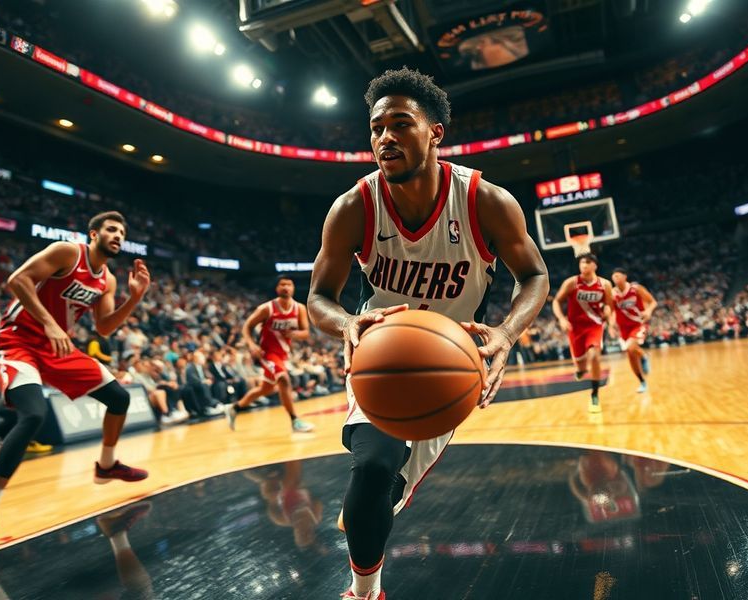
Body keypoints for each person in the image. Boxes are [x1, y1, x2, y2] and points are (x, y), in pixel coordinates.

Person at [307, 67, 549, 599]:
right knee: (373, 467)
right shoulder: (354, 207)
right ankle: (364, 592)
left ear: (435, 132)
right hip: (380, 353)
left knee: (379, 493)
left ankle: (372, 508)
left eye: (400, 124)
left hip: (449, 361)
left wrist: (507, 333)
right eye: (376, 128)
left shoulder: (485, 201)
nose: (385, 137)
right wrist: (347, 322)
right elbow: (318, 298)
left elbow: (534, 275)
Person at [0, 211, 151, 553]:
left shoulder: (108, 280)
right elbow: (18, 280)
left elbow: (104, 327)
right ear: (93, 234)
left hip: (57, 347)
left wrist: (134, 297)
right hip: (19, 340)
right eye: (111, 229)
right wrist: (50, 323)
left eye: (122, 232)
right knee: (33, 416)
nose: (117, 235)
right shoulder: (67, 252)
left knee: (119, 397)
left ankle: (107, 465)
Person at [226, 277, 314, 433]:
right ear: (277, 288)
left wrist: (294, 334)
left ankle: (235, 407)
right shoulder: (266, 308)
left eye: (289, 284)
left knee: (265, 389)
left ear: (293, 288)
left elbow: (306, 332)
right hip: (267, 353)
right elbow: (247, 326)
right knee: (283, 379)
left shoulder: (299, 308)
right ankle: (295, 420)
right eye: (282, 284)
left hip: (283, 354)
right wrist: (251, 344)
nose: (286, 287)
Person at [552, 253, 614, 413]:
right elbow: (557, 301)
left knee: (594, 356)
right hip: (575, 328)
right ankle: (581, 369)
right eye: (581, 263)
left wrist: (608, 313)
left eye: (587, 262)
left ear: (595, 265)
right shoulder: (572, 283)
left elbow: (609, 305)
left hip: (595, 325)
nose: (583, 265)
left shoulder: (605, 284)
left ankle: (595, 395)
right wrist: (561, 319)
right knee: (580, 365)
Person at [610, 268, 657, 392]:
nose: (615, 278)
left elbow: (653, 302)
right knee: (631, 355)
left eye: (618, 276)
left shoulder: (636, 288)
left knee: (631, 347)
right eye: (613, 276)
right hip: (623, 329)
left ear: (625, 276)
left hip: (638, 324)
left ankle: (643, 355)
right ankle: (642, 381)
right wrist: (611, 325)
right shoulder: (612, 294)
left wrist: (648, 311)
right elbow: (612, 311)